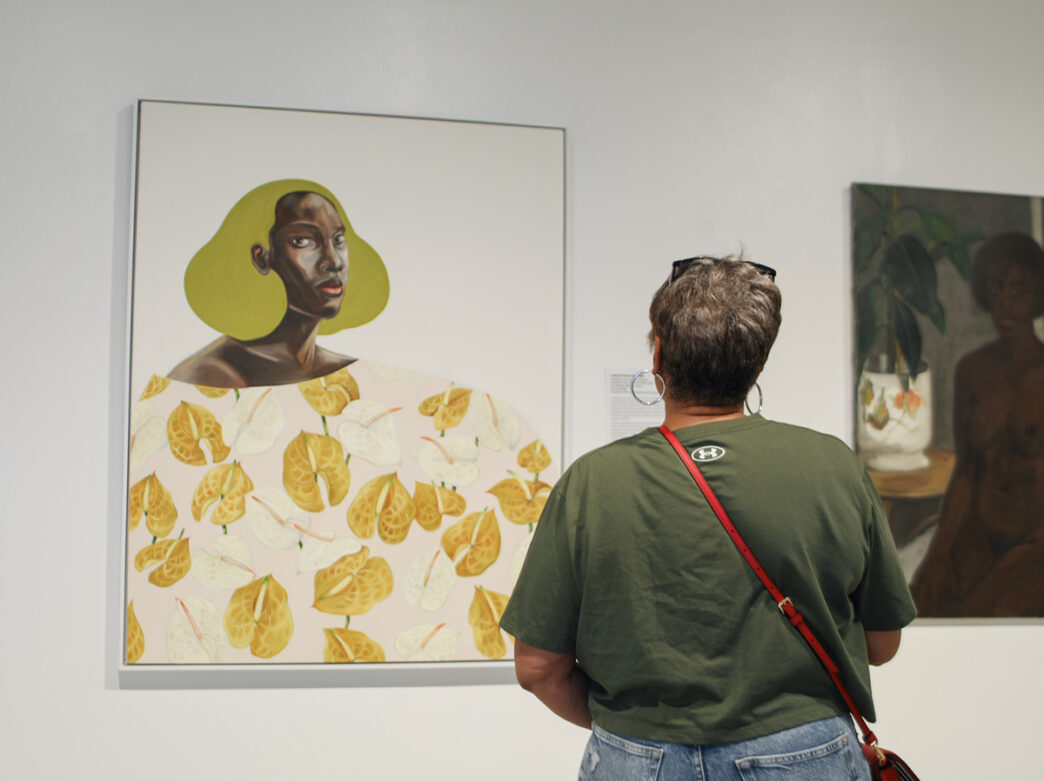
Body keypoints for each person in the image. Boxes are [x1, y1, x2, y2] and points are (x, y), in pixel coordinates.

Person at [500, 256, 916, 780]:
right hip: (804, 757)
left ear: (658, 353)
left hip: (638, 757)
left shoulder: (591, 481)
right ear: (757, 362)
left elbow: (538, 668)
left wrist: (634, 735)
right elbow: (882, 645)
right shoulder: (833, 466)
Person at [910, 232, 1044, 616]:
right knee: (923, 605)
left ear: (1036, 295)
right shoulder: (972, 370)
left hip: (1035, 545)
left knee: (983, 611)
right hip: (978, 534)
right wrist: (937, 555)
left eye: (1019, 290)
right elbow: (966, 471)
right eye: (997, 288)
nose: (1007, 301)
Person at [169, 179, 390, 387]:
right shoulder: (212, 376)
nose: (333, 261)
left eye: (338, 240)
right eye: (303, 241)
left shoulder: (349, 373)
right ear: (263, 258)